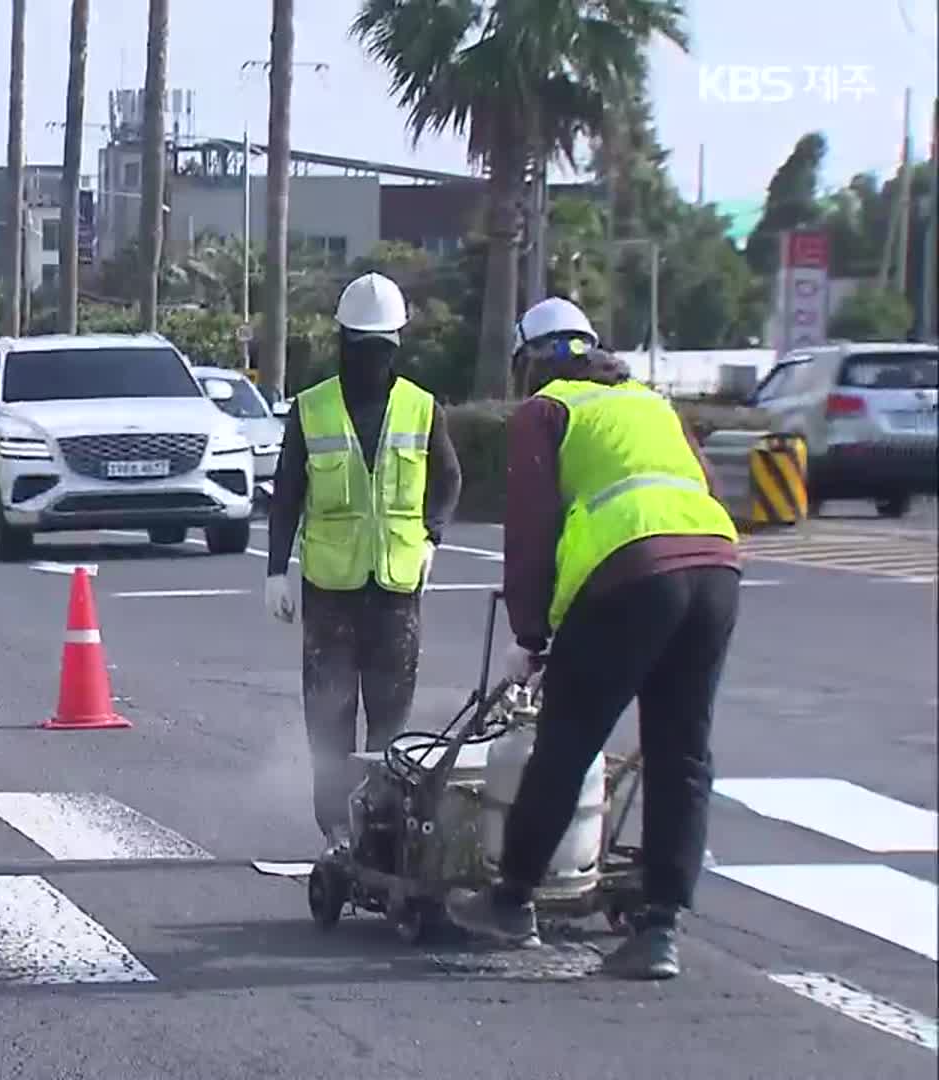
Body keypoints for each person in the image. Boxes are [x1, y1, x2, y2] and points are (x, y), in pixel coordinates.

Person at [446, 297, 740, 981]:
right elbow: (708, 487)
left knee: (567, 742)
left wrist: (531, 633)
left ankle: (512, 900)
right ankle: (659, 929)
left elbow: (530, 529)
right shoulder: (651, 404)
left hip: (633, 579)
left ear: (529, 361)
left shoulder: (547, 410)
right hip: (717, 570)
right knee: (682, 750)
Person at [263, 272, 463, 842]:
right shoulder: (313, 408)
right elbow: (288, 492)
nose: (375, 358)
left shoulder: (422, 409)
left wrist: (431, 537)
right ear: (345, 343)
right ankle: (335, 829)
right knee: (328, 716)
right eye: (366, 347)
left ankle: (382, 826)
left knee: (391, 720)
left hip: (397, 591)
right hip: (330, 590)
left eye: (383, 348)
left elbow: (447, 477)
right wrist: (276, 570)